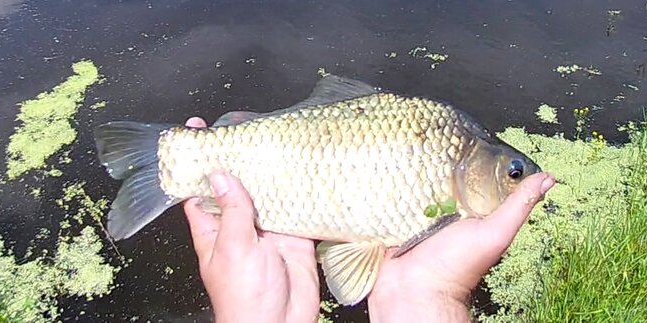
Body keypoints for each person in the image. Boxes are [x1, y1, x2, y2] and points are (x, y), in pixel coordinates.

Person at [180, 116, 556, 322]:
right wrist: (430, 296)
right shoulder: (449, 165)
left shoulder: (449, 202)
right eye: (514, 173)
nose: (517, 182)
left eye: (515, 173)